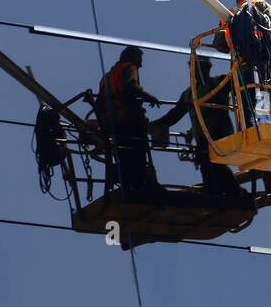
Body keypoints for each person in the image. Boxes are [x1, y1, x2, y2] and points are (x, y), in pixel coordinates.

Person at [151, 57, 243, 197]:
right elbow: (174, 114)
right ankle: (221, 196)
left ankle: (231, 195)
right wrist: (156, 124)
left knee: (214, 166)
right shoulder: (189, 93)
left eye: (196, 68)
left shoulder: (218, 83)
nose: (193, 73)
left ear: (206, 69)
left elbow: (237, 81)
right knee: (208, 166)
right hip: (203, 138)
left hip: (219, 134)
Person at [95, 46, 162, 193]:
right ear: (132, 57)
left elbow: (99, 104)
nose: (140, 65)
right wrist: (149, 97)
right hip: (131, 122)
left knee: (124, 158)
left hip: (115, 126)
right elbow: (131, 86)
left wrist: (104, 125)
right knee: (137, 156)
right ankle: (141, 186)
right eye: (139, 61)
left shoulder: (106, 77)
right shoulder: (129, 67)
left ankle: (128, 185)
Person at [228, 0, 271, 129]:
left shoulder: (230, 15)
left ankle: (250, 130)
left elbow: (219, 41)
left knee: (247, 103)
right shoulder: (260, 5)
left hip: (243, 67)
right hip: (266, 65)